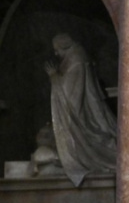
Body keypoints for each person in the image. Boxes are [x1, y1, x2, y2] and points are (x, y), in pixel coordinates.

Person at [44, 32, 117, 186]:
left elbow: (70, 99)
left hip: (83, 120)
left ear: (65, 46)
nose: (56, 54)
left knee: (92, 138)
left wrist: (54, 77)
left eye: (58, 49)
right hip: (83, 113)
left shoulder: (76, 61)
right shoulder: (74, 58)